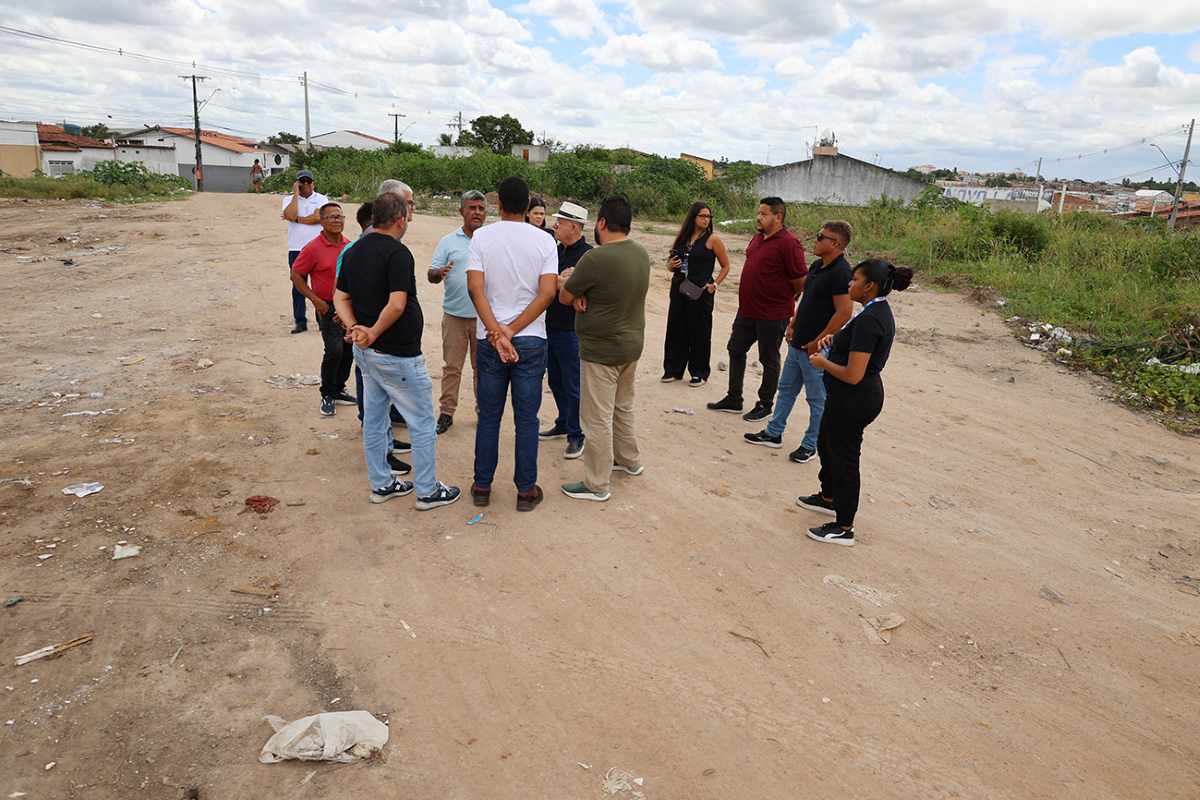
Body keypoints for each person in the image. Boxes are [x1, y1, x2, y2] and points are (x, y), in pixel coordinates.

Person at [334, 191, 460, 510]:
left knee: (375, 420)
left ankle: (382, 483)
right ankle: (427, 490)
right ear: (400, 219)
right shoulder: (397, 253)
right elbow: (397, 303)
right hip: (398, 355)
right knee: (421, 421)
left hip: (368, 354)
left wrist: (355, 329)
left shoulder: (354, 250)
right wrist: (371, 331)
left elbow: (340, 297)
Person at [798, 259, 912, 546]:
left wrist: (823, 363)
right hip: (846, 398)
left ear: (869, 286)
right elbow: (853, 348)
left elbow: (853, 374)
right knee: (826, 442)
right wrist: (834, 341)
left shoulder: (872, 319)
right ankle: (829, 496)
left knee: (845, 458)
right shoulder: (872, 311)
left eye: (854, 280)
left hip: (856, 399)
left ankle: (844, 525)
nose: (849, 284)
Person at [466, 176, 559, 512]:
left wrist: (496, 331)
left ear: (498, 204)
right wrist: (513, 329)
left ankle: (481, 486)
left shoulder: (481, 237)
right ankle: (525, 490)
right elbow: (548, 293)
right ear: (527, 205)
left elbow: (475, 289)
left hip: (489, 340)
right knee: (527, 418)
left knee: (489, 416)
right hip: (531, 339)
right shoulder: (545, 241)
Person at [558, 196, 651, 502]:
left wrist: (568, 284)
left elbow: (565, 297)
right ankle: (629, 460)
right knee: (623, 407)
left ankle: (597, 483)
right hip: (631, 346)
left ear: (601, 223)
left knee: (596, 417)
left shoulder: (596, 259)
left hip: (602, 350)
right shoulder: (640, 253)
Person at [744, 221, 853, 462]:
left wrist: (819, 341)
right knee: (786, 390)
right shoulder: (816, 266)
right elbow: (806, 298)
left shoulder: (841, 272)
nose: (814, 240)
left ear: (835, 243)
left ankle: (811, 444)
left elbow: (844, 311)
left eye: (820, 236)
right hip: (798, 343)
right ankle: (774, 433)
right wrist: (793, 323)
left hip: (816, 350)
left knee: (817, 399)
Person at [707, 197, 806, 421]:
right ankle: (734, 398)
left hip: (773, 314)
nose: (758, 217)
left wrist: (783, 299)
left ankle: (765, 403)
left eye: (763, 214)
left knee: (768, 358)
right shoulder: (758, 238)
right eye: (758, 213)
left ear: (778, 217)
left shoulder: (789, 243)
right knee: (735, 348)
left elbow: (800, 281)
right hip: (748, 310)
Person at [428, 190, 486, 435]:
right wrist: (438, 272)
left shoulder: (490, 240)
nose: (477, 213)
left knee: (482, 369)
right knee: (452, 368)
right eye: (472, 208)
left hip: (485, 318)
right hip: (454, 316)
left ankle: (485, 413)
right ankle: (446, 413)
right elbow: (431, 275)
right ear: (461, 211)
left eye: (481, 208)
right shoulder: (448, 242)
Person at [290, 202, 356, 417]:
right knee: (334, 349)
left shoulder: (350, 246)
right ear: (322, 221)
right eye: (331, 217)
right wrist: (315, 300)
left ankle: (339, 388)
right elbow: (296, 275)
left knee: (348, 350)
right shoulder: (313, 248)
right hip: (326, 305)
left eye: (340, 217)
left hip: (347, 305)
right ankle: (327, 393)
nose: (337, 220)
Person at [538, 201, 592, 459]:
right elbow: (547, 282)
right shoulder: (556, 250)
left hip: (573, 330)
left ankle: (576, 434)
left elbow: (579, 290)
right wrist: (561, 281)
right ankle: (563, 421)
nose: (555, 225)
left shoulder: (588, 256)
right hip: (550, 326)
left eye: (560, 222)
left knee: (573, 384)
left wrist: (563, 284)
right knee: (555, 380)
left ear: (574, 226)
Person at [662, 202, 730, 386]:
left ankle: (698, 372)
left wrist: (714, 284)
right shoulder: (683, 238)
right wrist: (670, 266)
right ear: (693, 217)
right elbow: (670, 262)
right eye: (702, 216)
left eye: (708, 216)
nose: (706, 219)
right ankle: (673, 369)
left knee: (699, 331)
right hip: (679, 289)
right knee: (676, 328)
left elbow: (726, 266)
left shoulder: (713, 239)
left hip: (700, 291)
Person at [281, 169, 328, 334]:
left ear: (313, 183)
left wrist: (298, 219)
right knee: (298, 286)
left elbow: (318, 218)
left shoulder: (322, 199)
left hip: (317, 248)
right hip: (296, 248)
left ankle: (322, 321)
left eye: (308, 181)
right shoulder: (289, 200)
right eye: (302, 182)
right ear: (297, 183)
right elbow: (289, 214)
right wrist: (295, 195)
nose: (306, 185)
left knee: (320, 286)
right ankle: (300, 321)